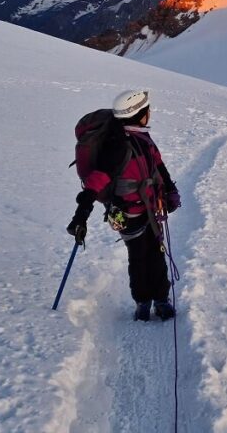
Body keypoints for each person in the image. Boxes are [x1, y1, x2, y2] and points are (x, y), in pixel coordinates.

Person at [66, 90, 181, 321]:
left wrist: (169, 190)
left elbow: (157, 164)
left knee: (152, 256)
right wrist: (81, 213)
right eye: (147, 110)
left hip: (148, 209)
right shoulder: (118, 145)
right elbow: (97, 180)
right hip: (129, 214)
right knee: (142, 258)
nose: (150, 113)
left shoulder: (141, 138)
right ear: (138, 114)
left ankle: (157, 300)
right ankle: (145, 302)